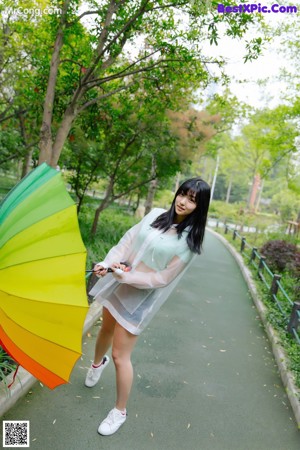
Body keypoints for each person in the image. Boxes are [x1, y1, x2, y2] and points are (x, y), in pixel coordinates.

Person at [85, 177, 211, 436]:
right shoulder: (155, 215)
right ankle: (97, 363)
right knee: (105, 328)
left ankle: (119, 411)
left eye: (192, 200)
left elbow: (161, 278)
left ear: (200, 207)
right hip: (118, 282)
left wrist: (127, 277)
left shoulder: (188, 244)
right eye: (183, 194)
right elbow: (127, 242)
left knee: (121, 356)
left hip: (139, 298)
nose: (183, 202)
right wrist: (108, 264)